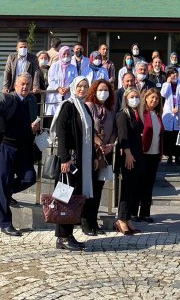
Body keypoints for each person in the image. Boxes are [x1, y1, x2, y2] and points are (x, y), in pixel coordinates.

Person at [0, 73, 41, 237]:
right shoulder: (7, 98)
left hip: (22, 148)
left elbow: (30, 122)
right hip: (4, 147)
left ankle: (4, 192)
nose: (25, 87)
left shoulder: (30, 101)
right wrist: (3, 127)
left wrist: (34, 128)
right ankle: (5, 223)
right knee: (3, 182)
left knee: (29, 177)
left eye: (28, 85)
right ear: (15, 85)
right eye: (22, 84)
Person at [53, 76, 94, 251]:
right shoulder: (68, 106)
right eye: (79, 86)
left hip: (79, 161)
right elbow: (61, 132)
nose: (82, 89)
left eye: (85, 86)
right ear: (72, 87)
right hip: (69, 161)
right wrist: (64, 158)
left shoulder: (84, 107)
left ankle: (68, 234)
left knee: (73, 197)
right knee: (64, 198)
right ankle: (62, 238)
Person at [82, 79, 117, 236]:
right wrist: (98, 143)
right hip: (91, 153)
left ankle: (94, 221)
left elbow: (115, 130)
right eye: (100, 89)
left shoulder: (110, 110)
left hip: (105, 155)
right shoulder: (89, 106)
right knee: (89, 189)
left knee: (98, 189)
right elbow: (87, 128)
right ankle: (85, 221)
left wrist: (111, 144)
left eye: (106, 90)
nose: (104, 92)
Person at [115, 87, 143, 235]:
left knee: (134, 187)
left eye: (136, 97)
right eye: (131, 97)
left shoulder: (136, 114)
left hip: (138, 154)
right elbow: (123, 136)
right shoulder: (122, 115)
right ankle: (121, 219)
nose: (134, 99)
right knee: (126, 188)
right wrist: (127, 153)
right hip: (128, 155)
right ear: (126, 99)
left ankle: (128, 218)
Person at [136, 88, 164, 222]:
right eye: (152, 97)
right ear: (146, 98)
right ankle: (134, 213)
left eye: (157, 98)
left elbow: (159, 135)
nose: (154, 100)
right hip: (143, 154)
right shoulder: (141, 113)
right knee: (139, 184)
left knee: (149, 185)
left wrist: (160, 152)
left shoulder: (157, 114)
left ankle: (145, 213)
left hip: (154, 154)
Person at [46, 45, 77, 118]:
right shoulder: (54, 66)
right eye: (64, 54)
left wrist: (68, 88)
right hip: (55, 94)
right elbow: (51, 79)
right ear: (60, 54)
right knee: (53, 117)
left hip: (68, 93)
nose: (66, 55)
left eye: (68, 54)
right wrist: (59, 88)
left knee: (66, 115)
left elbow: (75, 80)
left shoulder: (73, 67)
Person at [160, 68, 180, 165]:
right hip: (168, 113)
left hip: (178, 113)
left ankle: (177, 156)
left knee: (177, 136)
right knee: (168, 137)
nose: (174, 75)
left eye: (175, 73)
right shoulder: (166, 85)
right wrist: (167, 83)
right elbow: (163, 94)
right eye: (172, 74)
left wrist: (178, 108)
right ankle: (169, 156)